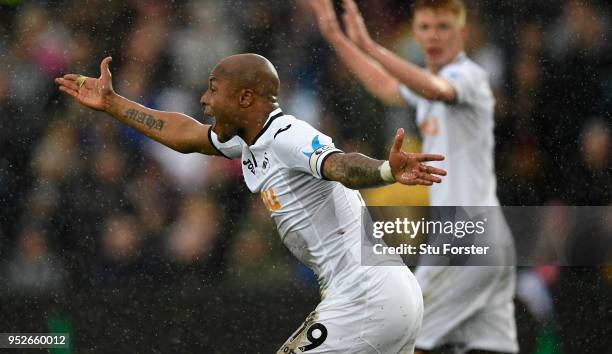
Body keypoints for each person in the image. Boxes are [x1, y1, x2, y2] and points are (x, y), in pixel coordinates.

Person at [55, 53, 448, 353]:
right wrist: (113, 104)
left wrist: (385, 172)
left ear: (245, 97)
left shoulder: (286, 135)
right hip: (392, 293)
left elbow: (340, 165)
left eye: (213, 88)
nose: (204, 99)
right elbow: (186, 134)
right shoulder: (248, 140)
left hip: (366, 296)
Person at [310, 0, 518, 353]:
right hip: (487, 237)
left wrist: (370, 45)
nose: (433, 36)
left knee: (401, 336)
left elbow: (437, 89)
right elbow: (387, 86)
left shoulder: (467, 76)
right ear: (414, 32)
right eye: (424, 27)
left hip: (465, 236)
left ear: (462, 33)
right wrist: (337, 37)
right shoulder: (428, 86)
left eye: (443, 27)